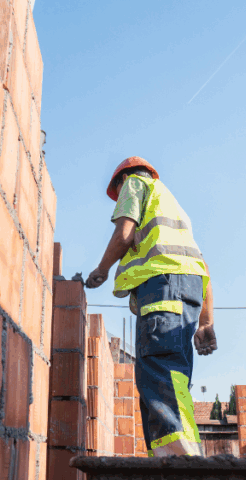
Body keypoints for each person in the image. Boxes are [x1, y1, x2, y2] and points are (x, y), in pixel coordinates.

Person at [85, 156, 217, 457]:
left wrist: (102, 270)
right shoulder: (172, 207)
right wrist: (206, 321)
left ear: (122, 180)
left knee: (160, 373)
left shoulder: (135, 184)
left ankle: (182, 461)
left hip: (162, 287)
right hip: (187, 289)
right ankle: (173, 460)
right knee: (172, 377)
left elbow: (124, 234)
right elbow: (203, 267)